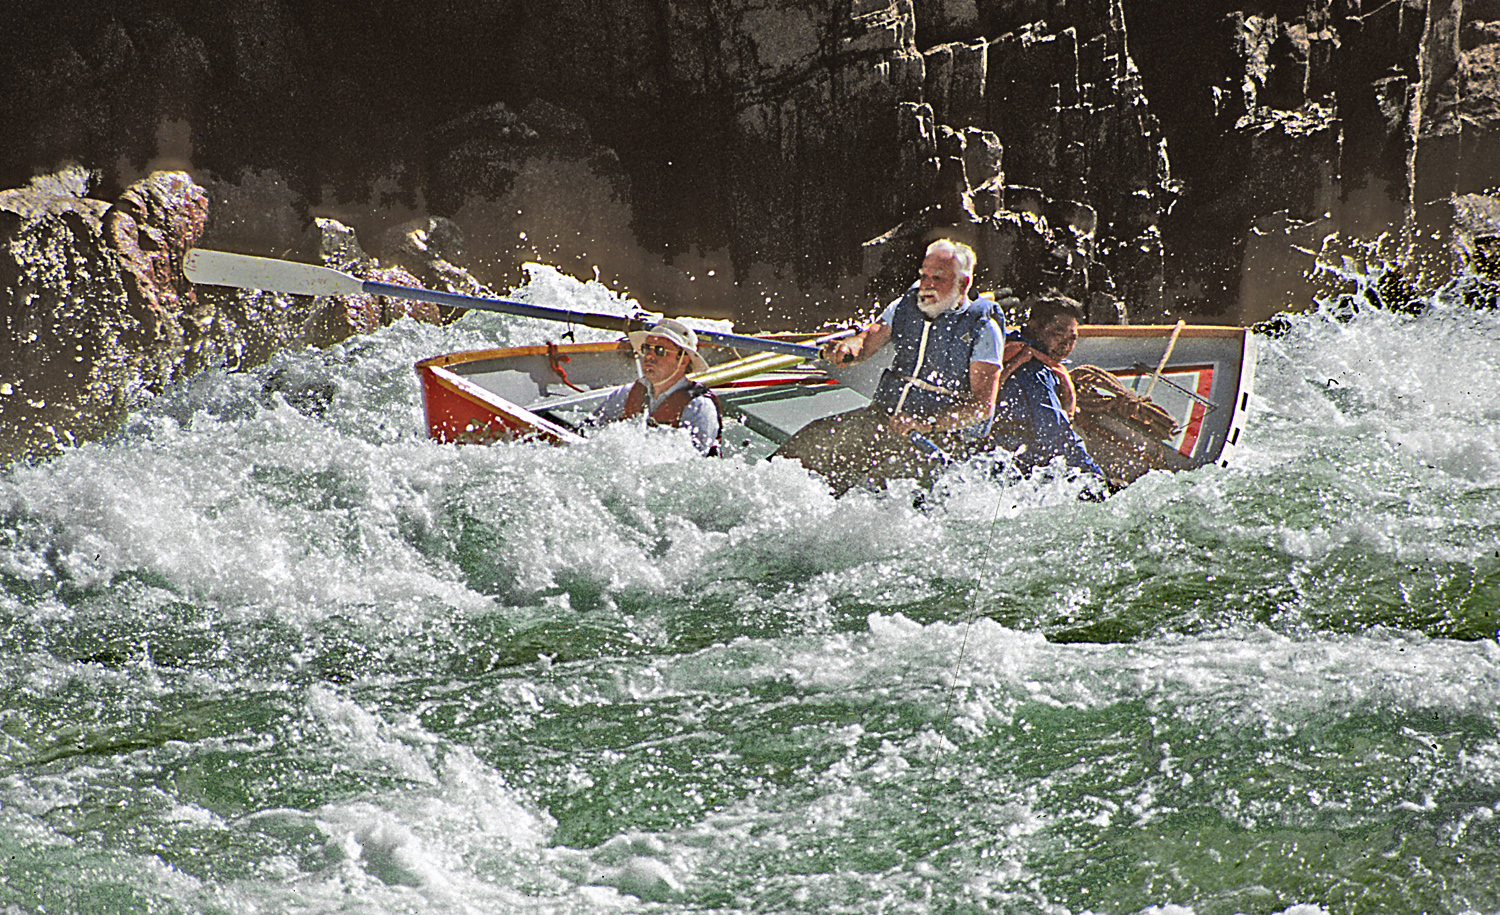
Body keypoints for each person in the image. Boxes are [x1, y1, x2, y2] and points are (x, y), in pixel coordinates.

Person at [772, 239, 1005, 494]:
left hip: (939, 439)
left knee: (871, 493)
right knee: (806, 447)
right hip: (882, 420)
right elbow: (866, 342)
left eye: (938, 278)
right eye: (924, 275)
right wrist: (848, 349)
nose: (927, 285)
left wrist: (926, 423)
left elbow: (981, 407)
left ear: (963, 283)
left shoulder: (984, 329)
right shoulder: (906, 304)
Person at [987, 293, 1105, 481]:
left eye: (1072, 338)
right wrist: (1096, 477)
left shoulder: (1004, 346)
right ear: (1033, 326)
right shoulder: (1033, 370)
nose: (1065, 345)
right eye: (1058, 334)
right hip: (1018, 469)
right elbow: (1055, 434)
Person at [590, 318, 723, 455]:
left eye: (660, 351)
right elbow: (589, 429)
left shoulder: (699, 406)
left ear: (683, 360)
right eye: (646, 349)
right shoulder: (626, 393)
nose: (648, 356)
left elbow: (694, 462)